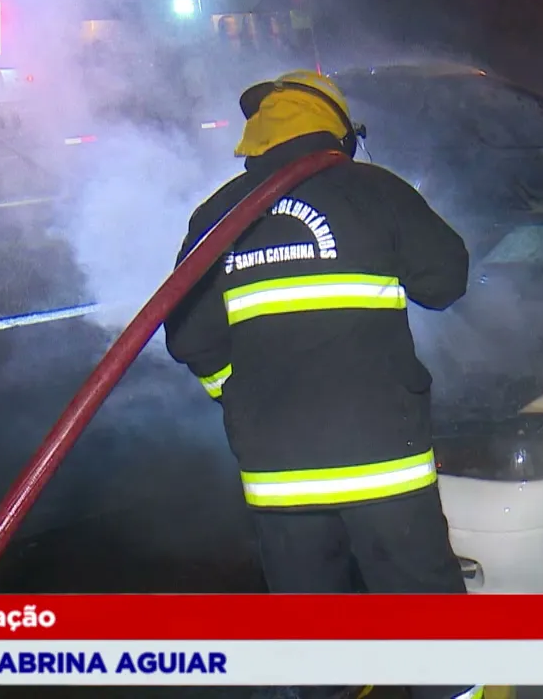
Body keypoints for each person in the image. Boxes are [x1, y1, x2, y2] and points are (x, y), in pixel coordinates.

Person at [164, 69, 481, 699]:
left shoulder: (216, 215)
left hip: (279, 476)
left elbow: (190, 339)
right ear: (340, 133)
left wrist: (238, 393)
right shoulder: (374, 190)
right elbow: (446, 282)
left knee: (314, 639)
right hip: (383, 463)